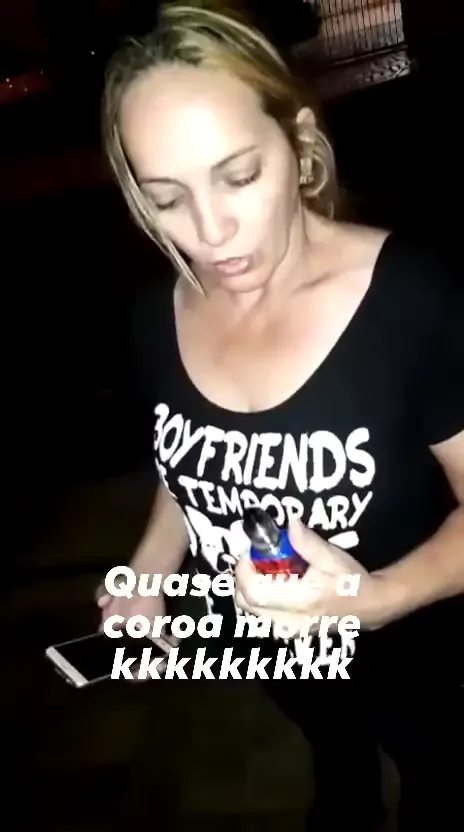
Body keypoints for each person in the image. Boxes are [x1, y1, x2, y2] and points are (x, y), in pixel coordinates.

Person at [97, 2, 464, 829]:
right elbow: (190, 469)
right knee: (334, 759)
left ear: (297, 146)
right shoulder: (156, 316)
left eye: (238, 177)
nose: (211, 234)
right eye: (167, 198)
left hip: (417, 652)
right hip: (273, 649)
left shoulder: (412, 299)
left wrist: (377, 599)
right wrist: (151, 572)